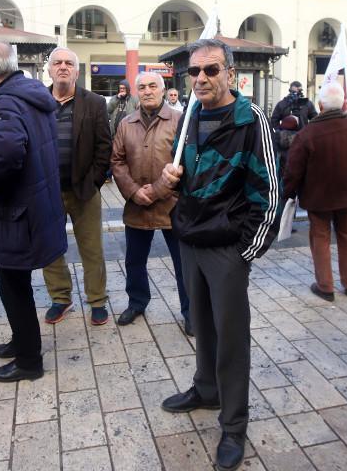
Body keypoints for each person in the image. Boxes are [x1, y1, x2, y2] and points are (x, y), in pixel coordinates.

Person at [158, 38, 281, 471]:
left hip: (227, 247)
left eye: (211, 70)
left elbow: (270, 192)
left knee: (231, 339)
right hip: (190, 238)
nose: (202, 79)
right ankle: (205, 389)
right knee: (202, 327)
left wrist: (245, 251)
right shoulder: (191, 115)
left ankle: (233, 424)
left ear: (231, 73)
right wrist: (169, 178)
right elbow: (184, 175)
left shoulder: (251, 120)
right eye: (194, 72)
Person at [0, 41, 67, 382]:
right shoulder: (30, 94)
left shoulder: (7, 101)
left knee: (13, 284)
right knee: (16, 283)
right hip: (35, 202)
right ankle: (21, 340)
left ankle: (29, 362)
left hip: (18, 209)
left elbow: (7, 149)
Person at [110, 72, 190, 334]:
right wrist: (133, 192)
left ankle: (191, 312)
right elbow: (117, 161)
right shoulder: (126, 123)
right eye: (142, 87)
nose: (147, 91)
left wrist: (155, 191)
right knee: (134, 260)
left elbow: (185, 163)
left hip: (172, 205)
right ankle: (137, 302)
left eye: (152, 86)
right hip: (137, 205)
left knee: (183, 263)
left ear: (163, 90)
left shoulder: (179, 121)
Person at [284, 83, 347, 301]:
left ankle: (325, 286)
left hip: (319, 197)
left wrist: (288, 193)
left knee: (320, 239)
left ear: (320, 106)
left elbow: (293, 170)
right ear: (343, 104)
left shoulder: (307, 134)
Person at [43, 48, 112, 326]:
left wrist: (94, 181)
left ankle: (97, 300)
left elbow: (104, 145)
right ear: (48, 70)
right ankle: (60, 298)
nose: (63, 67)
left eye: (68, 63)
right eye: (57, 63)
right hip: (47, 191)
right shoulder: (37, 101)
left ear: (77, 71)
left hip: (84, 190)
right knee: (51, 247)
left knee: (92, 248)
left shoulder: (93, 102)